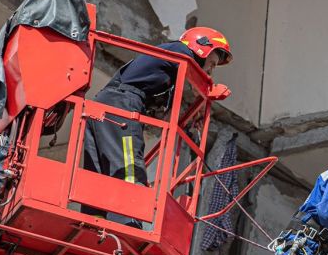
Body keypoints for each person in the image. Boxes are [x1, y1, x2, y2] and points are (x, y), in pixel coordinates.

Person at [82, 26, 232, 225]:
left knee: (101, 163)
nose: (211, 70)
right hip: (123, 103)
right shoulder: (180, 52)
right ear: (201, 47)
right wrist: (207, 90)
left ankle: (94, 215)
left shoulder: (167, 69)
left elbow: (167, 115)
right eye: (212, 63)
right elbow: (196, 77)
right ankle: (129, 218)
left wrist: (193, 113)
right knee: (128, 162)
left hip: (107, 101)